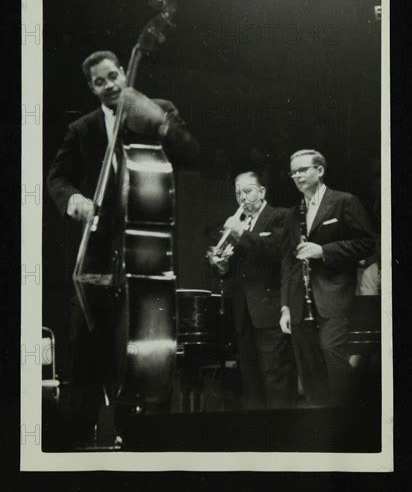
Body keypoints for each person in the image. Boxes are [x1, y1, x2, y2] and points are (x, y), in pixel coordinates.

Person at [47, 50, 198, 447]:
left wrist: (161, 123)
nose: (110, 85)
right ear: (91, 88)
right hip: (97, 257)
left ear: (121, 72)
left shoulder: (155, 110)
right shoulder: (83, 129)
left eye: (113, 75)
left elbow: (190, 153)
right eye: (100, 81)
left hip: (146, 256)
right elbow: (57, 179)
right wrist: (74, 200)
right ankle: (76, 451)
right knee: (84, 359)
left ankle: (147, 444)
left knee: (145, 358)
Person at [280, 149, 375, 407]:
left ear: (319, 171)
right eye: (293, 172)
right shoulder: (293, 214)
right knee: (309, 364)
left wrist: (324, 251)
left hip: (333, 294)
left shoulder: (344, 202)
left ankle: (351, 414)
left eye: (303, 170)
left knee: (332, 351)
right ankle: (322, 420)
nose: (297, 176)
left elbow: (367, 243)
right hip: (301, 300)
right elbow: (288, 263)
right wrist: (285, 306)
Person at [207, 171, 297, 410]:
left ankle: (283, 437)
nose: (242, 197)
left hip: (270, 311)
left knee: (275, 378)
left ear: (262, 192)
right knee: (251, 383)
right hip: (243, 315)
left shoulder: (280, 216)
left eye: (247, 191)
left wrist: (240, 233)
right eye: (238, 192)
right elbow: (233, 269)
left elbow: (277, 250)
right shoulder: (241, 222)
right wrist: (221, 266)